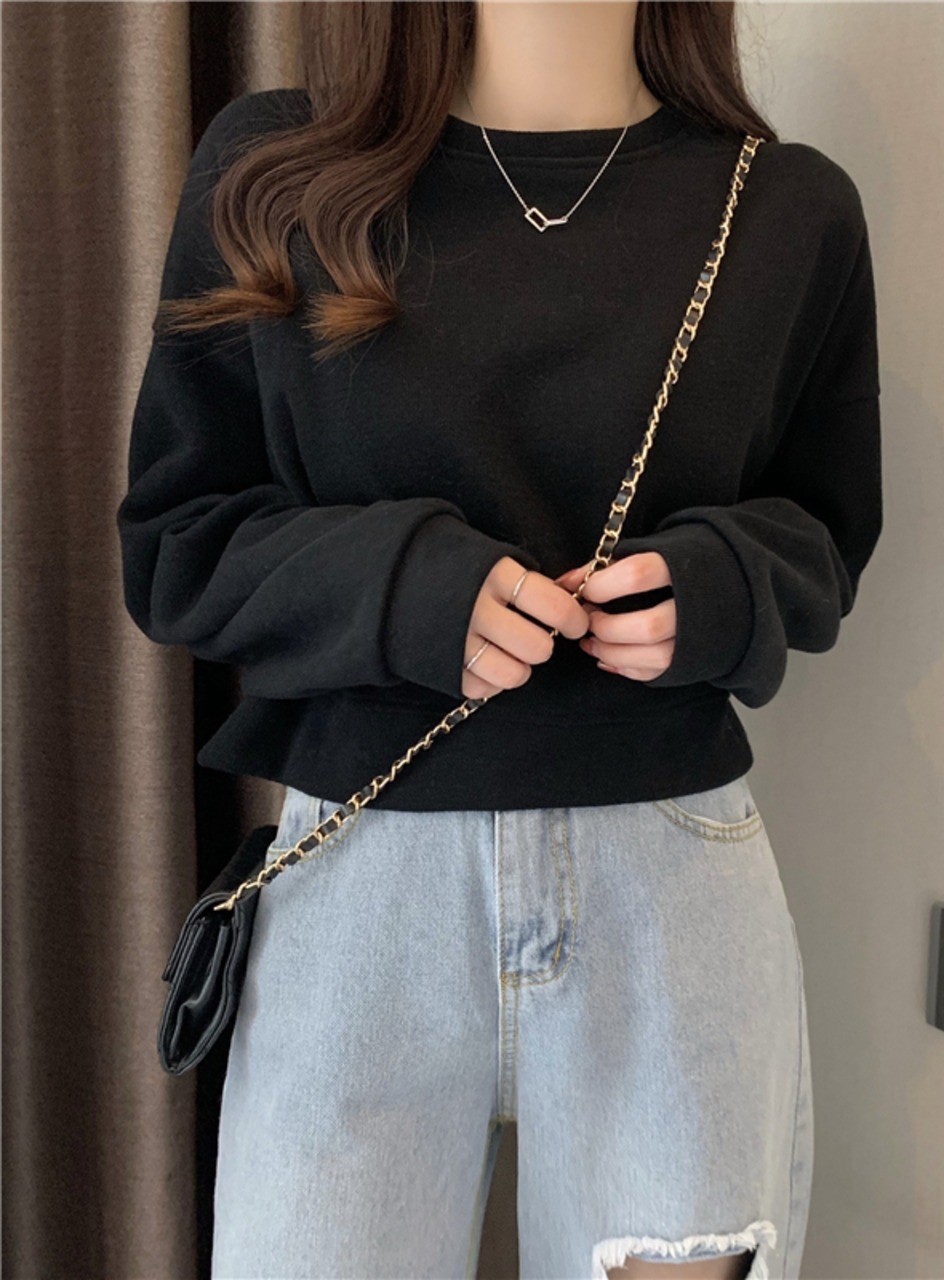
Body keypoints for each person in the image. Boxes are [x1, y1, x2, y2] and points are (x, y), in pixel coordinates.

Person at [116, 2, 882, 1276]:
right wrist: (407, 590)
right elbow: (177, 540)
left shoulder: (785, 208)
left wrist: (716, 585)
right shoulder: (276, 171)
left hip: (666, 881)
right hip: (362, 884)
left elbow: (825, 531)